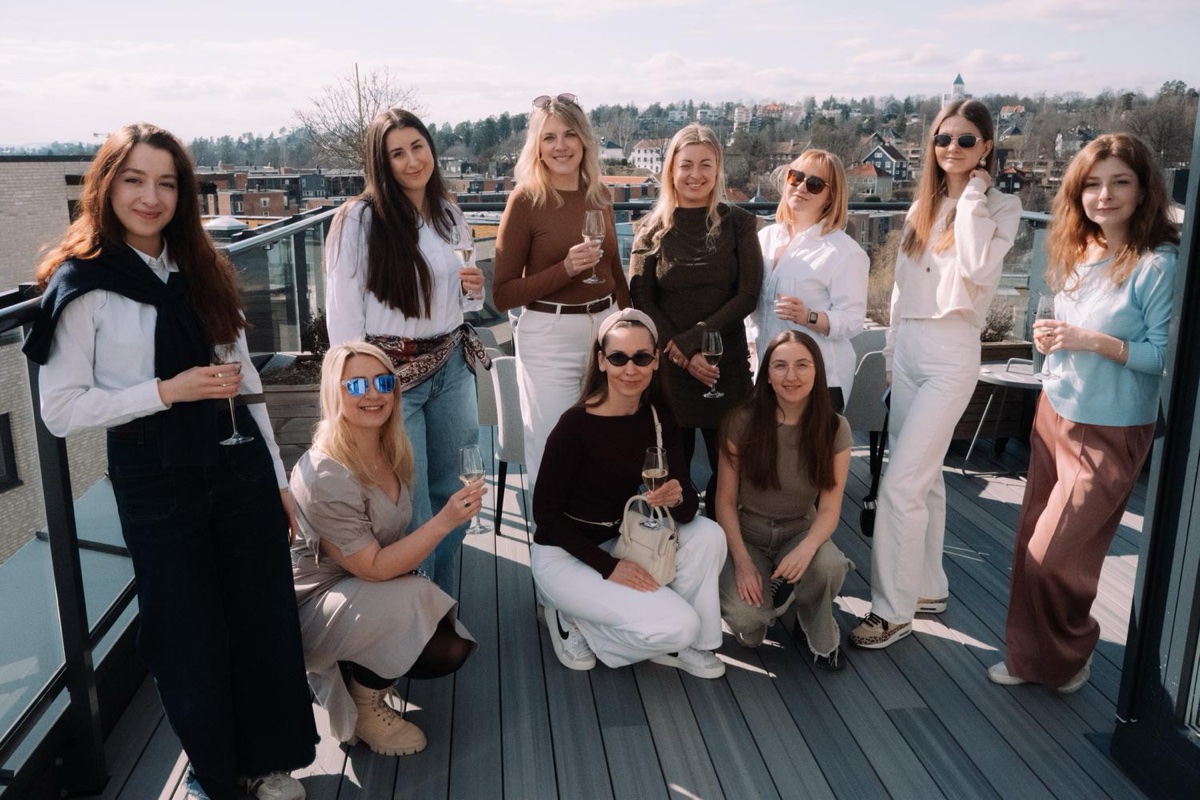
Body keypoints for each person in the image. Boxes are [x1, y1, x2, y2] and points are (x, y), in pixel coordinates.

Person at [24, 123, 316, 800]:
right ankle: (214, 776)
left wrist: (276, 478)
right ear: (106, 187)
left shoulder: (201, 265)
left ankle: (266, 760)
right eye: (134, 180)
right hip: (156, 478)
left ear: (184, 193)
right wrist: (165, 392)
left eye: (166, 182)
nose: (150, 197)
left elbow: (244, 378)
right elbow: (59, 411)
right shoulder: (85, 283)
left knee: (260, 615)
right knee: (188, 637)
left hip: (237, 462)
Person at [988, 134, 1178, 693]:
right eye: (1093, 184)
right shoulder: (1081, 250)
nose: (1105, 195)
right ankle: (1028, 659)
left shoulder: (1156, 266)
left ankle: (1070, 655)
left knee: (1056, 554)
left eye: (1120, 182)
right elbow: (1066, 335)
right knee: (1030, 544)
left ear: (1144, 190)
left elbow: (1164, 356)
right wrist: (1051, 343)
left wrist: (1090, 341)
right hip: (1055, 412)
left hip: (1111, 427)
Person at [850, 99, 1022, 650]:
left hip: (952, 351)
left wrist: (972, 194)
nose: (952, 148)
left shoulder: (999, 208)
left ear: (986, 148)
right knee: (927, 477)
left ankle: (892, 609)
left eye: (966, 140)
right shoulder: (921, 207)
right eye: (944, 139)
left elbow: (974, 268)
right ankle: (927, 586)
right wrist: (895, 357)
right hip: (911, 351)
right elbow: (901, 290)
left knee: (902, 482)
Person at [324, 108, 490, 598]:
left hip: (453, 367)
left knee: (458, 493)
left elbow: (467, 302)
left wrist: (476, 291)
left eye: (418, 146)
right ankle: (421, 612)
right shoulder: (359, 219)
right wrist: (353, 390)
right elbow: (343, 318)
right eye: (397, 153)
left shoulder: (449, 214)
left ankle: (438, 596)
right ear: (383, 163)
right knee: (413, 506)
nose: (412, 160)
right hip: (393, 379)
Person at [290, 343, 480, 753]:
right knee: (438, 634)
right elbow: (373, 566)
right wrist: (445, 521)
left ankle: (358, 669)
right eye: (356, 384)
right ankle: (361, 698)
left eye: (383, 382)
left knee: (448, 640)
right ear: (333, 393)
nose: (373, 394)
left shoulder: (390, 447)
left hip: (363, 587)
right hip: (317, 601)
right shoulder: (326, 473)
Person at [531, 309, 728, 678]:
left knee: (709, 535)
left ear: (655, 361)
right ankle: (569, 615)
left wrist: (677, 496)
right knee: (679, 626)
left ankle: (693, 644)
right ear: (602, 362)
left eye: (641, 357)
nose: (630, 368)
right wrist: (610, 568)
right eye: (618, 357)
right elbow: (546, 516)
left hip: (627, 540)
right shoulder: (574, 426)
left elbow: (684, 513)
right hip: (567, 554)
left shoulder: (660, 418)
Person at [493, 93, 631, 491]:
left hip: (606, 332)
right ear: (536, 145)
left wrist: (634, 323)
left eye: (569, 134)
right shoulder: (526, 201)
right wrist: (565, 269)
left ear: (584, 140)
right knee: (553, 443)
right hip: (550, 339)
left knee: (606, 440)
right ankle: (551, 544)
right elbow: (503, 294)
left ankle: (600, 540)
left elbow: (614, 271)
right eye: (549, 137)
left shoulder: (598, 194)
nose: (561, 146)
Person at [629, 124, 761, 514]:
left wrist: (698, 342)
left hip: (726, 371)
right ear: (671, 169)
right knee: (676, 496)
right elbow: (641, 299)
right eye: (686, 165)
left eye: (706, 164)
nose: (696, 174)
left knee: (730, 484)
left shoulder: (738, 223)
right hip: (671, 376)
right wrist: (684, 354)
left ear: (718, 169)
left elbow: (748, 295)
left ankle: (726, 562)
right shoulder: (649, 229)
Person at [716, 331, 853, 670]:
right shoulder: (741, 422)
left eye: (802, 365)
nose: (791, 376)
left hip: (799, 530)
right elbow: (724, 500)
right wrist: (743, 561)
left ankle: (813, 621)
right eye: (780, 366)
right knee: (749, 625)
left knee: (829, 564)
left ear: (817, 372)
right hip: (748, 533)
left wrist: (806, 549)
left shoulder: (835, 427)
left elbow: (831, 508)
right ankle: (777, 596)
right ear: (767, 375)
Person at [748, 150, 869, 410]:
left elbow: (853, 320)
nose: (802, 187)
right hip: (768, 376)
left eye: (815, 184)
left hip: (819, 380)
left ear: (830, 197)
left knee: (809, 452)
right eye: (796, 177)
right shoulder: (765, 238)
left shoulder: (844, 252)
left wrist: (809, 317)